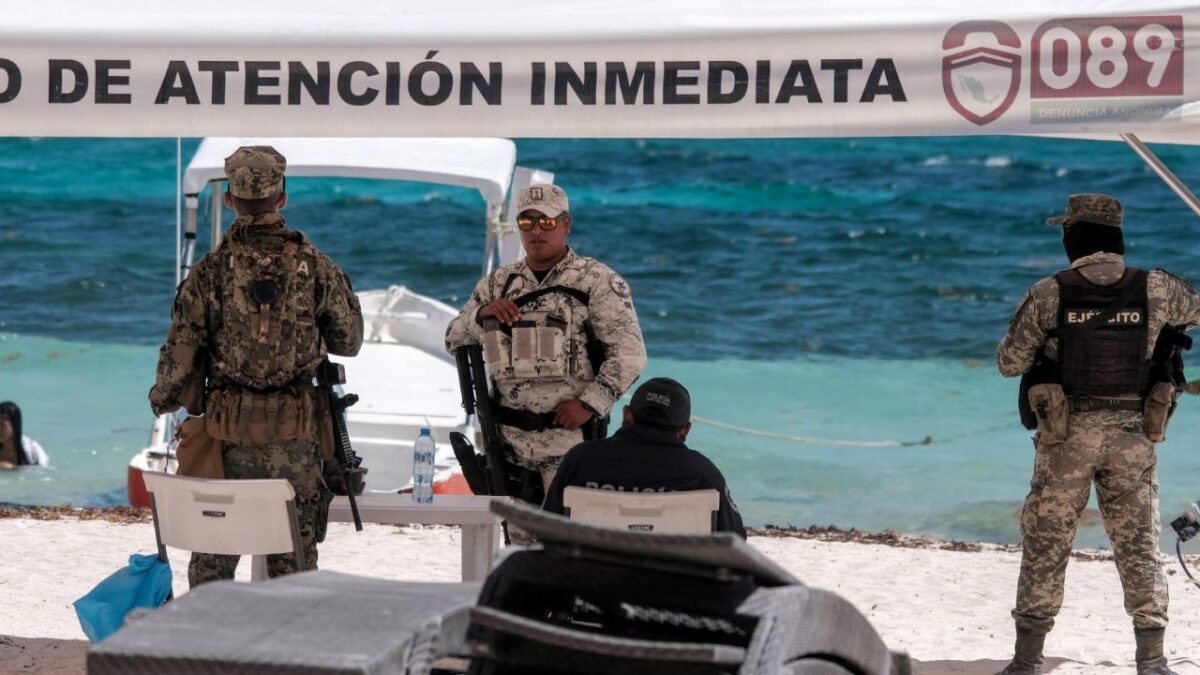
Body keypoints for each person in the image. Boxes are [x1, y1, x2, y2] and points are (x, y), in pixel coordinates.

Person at [995, 194, 1200, 675]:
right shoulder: (1159, 288)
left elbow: (1009, 364)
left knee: (1047, 542)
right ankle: (1151, 662)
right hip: (1134, 435)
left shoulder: (1049, 292)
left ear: (1075, 234)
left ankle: (1027, 662)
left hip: (1066, 438)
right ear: (1116, 237)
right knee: (1139, 547)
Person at [149, 145, 363, 588]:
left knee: (214, 567)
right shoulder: (317, 267)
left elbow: (182, 350)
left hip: (227, 440)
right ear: (282, 198)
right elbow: (350, 341)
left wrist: (163, 398)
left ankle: (210, 655)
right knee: (294, 568)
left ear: (229, 199)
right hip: (297, 440)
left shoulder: (208, 273)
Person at [445, 183, 647, 498]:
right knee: (520, 538)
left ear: (566, 224)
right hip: (508, 446)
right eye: (527, 222)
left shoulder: (595, 282)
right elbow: (452, 337)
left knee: (568, 539)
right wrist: (482, 315)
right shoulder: (499, 283)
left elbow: (630, 356)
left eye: (547, 222)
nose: (536, 230)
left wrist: (589, 404)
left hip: (570, 443)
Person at [542, 377, 745, 537]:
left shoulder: (581, 459)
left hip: (592, 584)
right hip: (674, 587)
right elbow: (734, 539)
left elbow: (548, 526)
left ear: (627, 415)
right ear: (685, 430)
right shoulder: (702, 474)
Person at [0, 401, 49, 469]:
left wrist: (14, 468)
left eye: (2, 425)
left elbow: (42, 472)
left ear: (15, 425)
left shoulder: (32, 449)